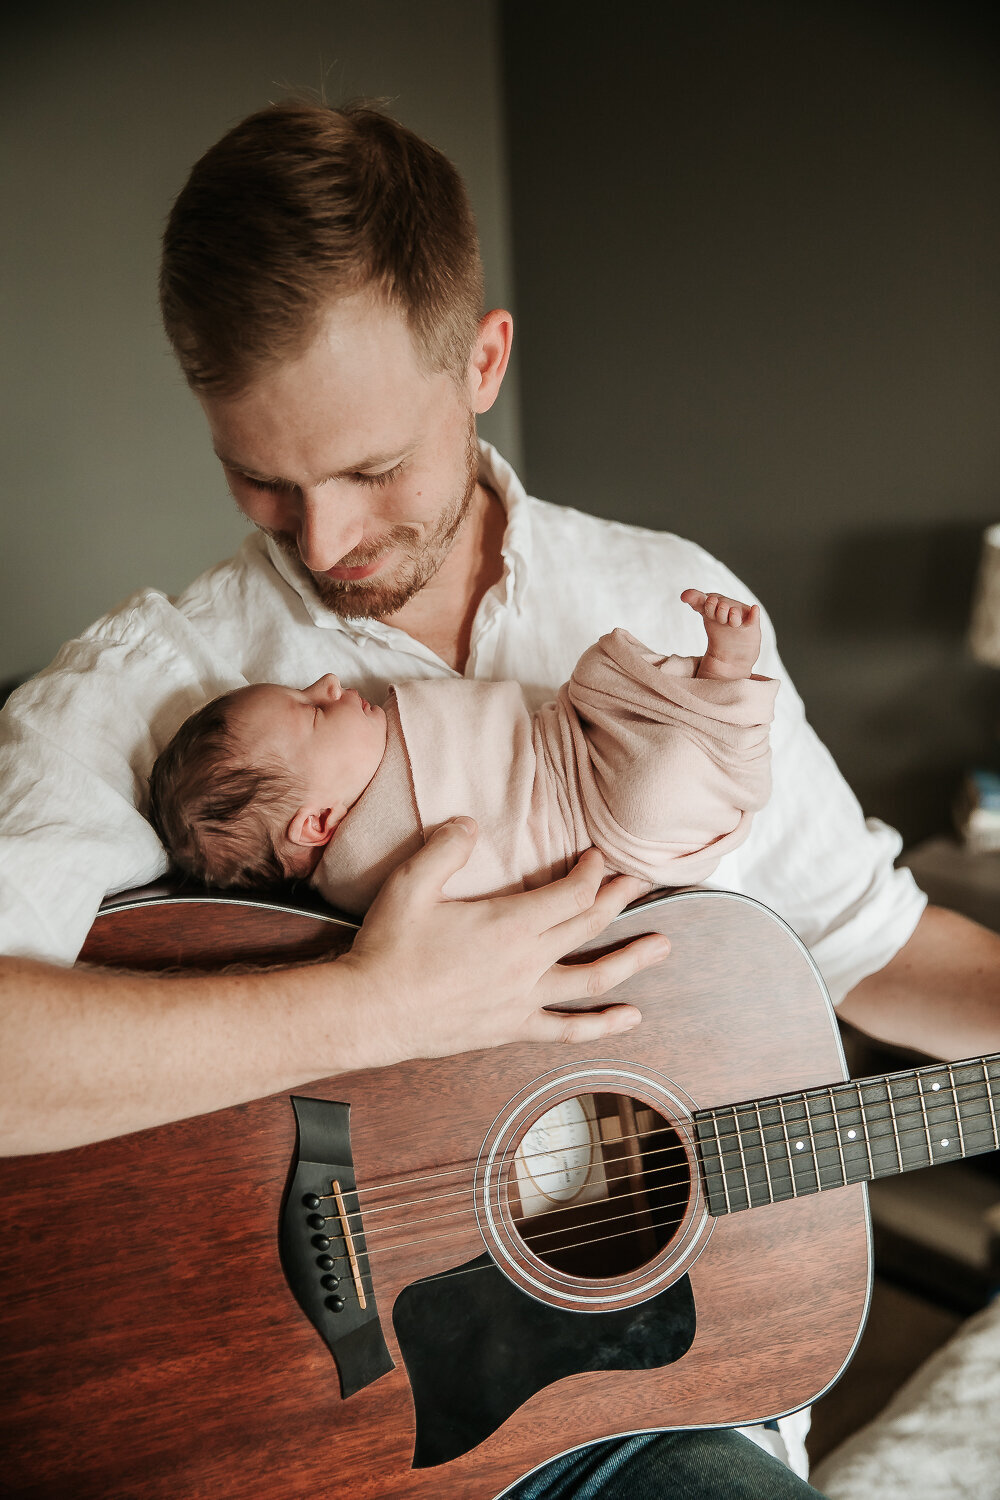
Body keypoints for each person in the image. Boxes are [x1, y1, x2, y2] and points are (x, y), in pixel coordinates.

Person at [0, 99, 998, 1496]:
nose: (329, 540)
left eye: (370, 469)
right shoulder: (157, 690)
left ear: (483, 361)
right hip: (289, 1432)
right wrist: (371, 1007)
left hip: (650, 1407)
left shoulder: (664, 606)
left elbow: (872, 944)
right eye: (264, 483)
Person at [146, 590, 775, 909]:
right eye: (311, 711)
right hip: (594, 832)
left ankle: (705, 705)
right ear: (316, 823)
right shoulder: (377, 882)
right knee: (658, 791)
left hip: (565, 740)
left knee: (600, 670)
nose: (328, 684)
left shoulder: (372, 734)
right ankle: (725, 681)